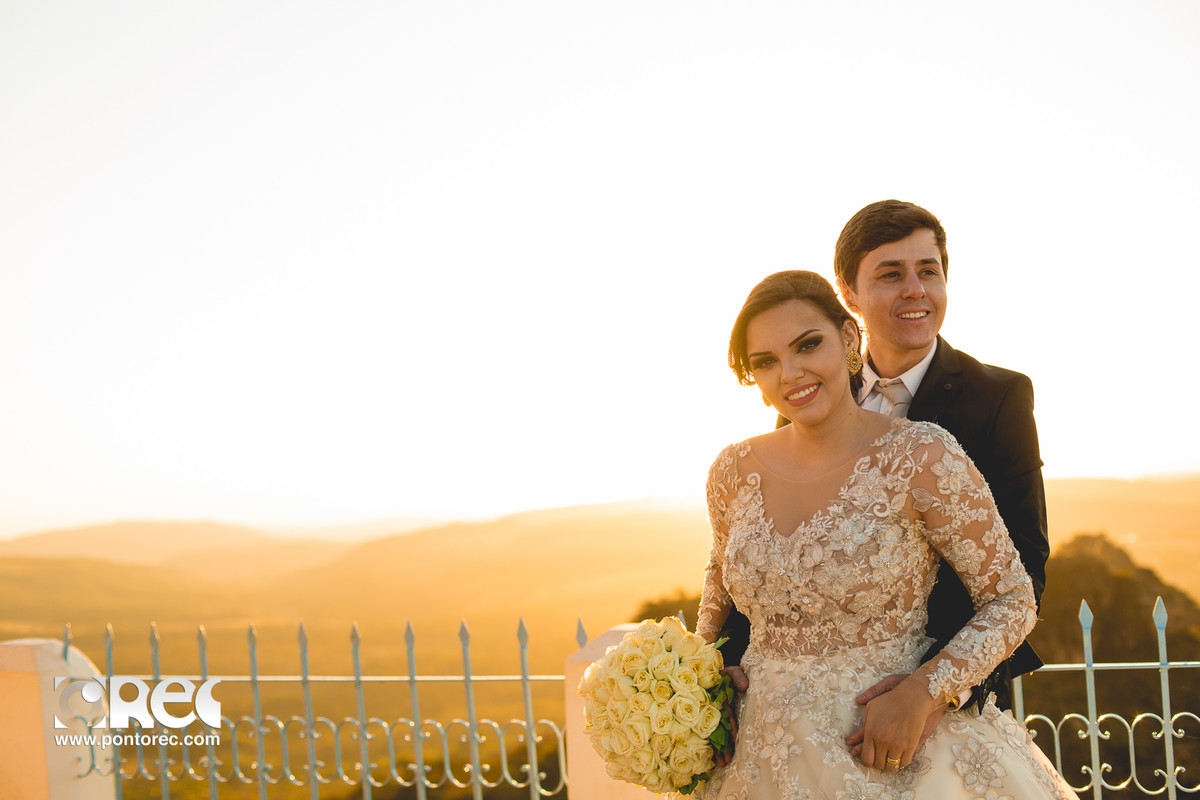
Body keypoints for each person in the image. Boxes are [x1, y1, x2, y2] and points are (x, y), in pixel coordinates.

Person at [694, 270, 1073, 798]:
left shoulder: (920, 454)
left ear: (849, 339)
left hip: (893, 744)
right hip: (753, 755)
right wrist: (702, 675)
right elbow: (718, 590)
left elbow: (1011, 597)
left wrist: (924, 693)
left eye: (808, 345)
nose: (791, 372)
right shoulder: (731, 471)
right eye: (766, 361)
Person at [719, 201, 1049, 738]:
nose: (915, 289)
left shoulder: (999, 397)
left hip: (928, 714)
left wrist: (931, 691)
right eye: (891, 274)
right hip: (783, 724)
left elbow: (1024, 569)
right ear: (848, 294)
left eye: (929, 271)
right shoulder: (803, 388)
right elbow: (762, 551)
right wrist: (724, 663)